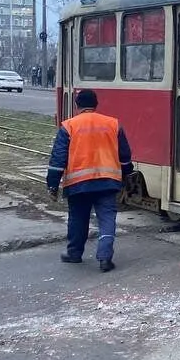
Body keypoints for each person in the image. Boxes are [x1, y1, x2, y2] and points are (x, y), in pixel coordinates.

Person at [46, 89, 133, 272]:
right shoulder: (113, 124)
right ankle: (105, 258)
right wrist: (126, 174)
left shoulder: (69, 126)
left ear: (77, 106)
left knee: (78, 218)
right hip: (108, 181)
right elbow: (124, 155)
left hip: (79, 183)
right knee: (107, 218)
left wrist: (52, 184)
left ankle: (74, 254)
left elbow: (58, 158)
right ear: (96, 105)